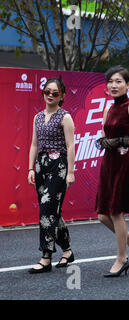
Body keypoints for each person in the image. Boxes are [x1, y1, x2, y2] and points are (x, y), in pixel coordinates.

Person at [95, 66, 129, 277]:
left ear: (128, 85)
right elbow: (103, 132)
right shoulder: (107, 108)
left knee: (116, 211)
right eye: (110, 81)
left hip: (123, 160)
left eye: (118, 81)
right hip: (108, 162)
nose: (113, 85)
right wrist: (103, 141)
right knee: (102, 215)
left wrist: (122, 140)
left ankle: (121, 258)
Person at [27, 77, 76, 274]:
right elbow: (34, 144)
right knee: (52, 211)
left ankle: (46, 256)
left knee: (47, 210)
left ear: (62, 96)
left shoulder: (65, 117)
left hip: (59, 166)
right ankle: (67, 251)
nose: (50, 95)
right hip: (41, 166)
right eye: (47, 91)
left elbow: (71, 145)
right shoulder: (37, 117)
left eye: (55, 93)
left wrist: (70, 172)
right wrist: (30, 168)